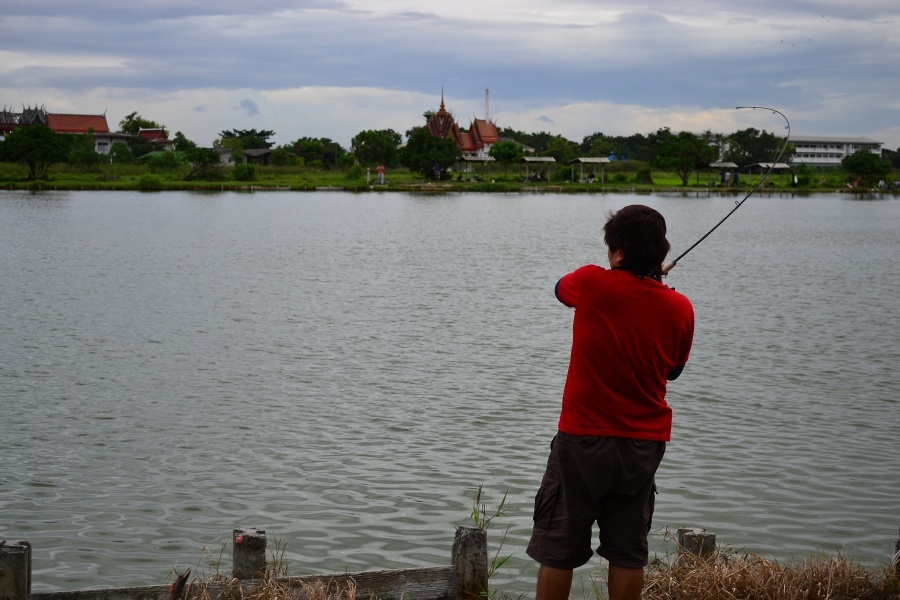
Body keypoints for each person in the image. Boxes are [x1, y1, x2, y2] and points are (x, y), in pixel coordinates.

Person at [526, 205, 695, 600]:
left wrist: (636, 276)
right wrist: (653, 281)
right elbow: (673, 371)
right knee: (628, 553)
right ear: (658, 253)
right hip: (642, 446)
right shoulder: (680, 307)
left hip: (582, 439)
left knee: (558, 548)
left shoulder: (589, 283)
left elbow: (558, 289)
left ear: (617, 252)